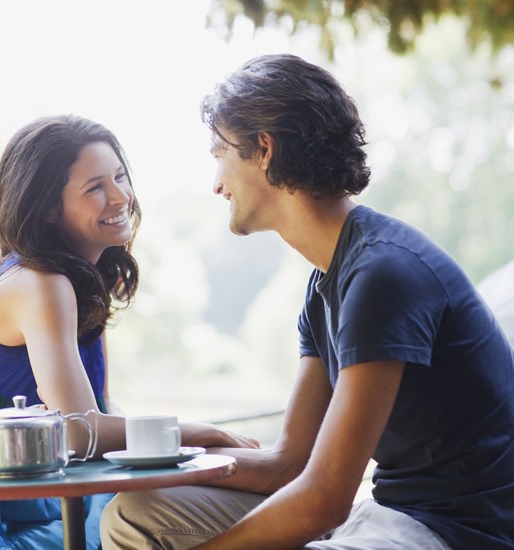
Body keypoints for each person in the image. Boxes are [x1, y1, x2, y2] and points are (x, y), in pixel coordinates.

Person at [100, 54, 514, 549]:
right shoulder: (325, 285)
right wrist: (176, 456)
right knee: (136, 515)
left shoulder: (383, 275)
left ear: (264, 150)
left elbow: (324, 498)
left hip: (456, 533)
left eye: (219, 154)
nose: (215, 183)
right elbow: (290, 464)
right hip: (385, 516)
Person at [0, 114, 251, 550]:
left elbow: (96, 409)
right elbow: (82, 432)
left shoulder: (81, 283)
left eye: (120, 177)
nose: (120, 196)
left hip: (56, 508)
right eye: (95, 187)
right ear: (47, 208)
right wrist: (200, 431)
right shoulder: (41, 285)